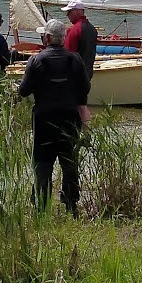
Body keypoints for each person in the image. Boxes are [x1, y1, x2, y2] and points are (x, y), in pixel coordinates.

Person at [17, 18, 90, 216]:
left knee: (43, 163)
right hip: (69, 117)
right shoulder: (75, 59)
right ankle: (71, 204)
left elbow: (24, 91)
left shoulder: (36, 60)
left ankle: (41, 205)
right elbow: (85, 87)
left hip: (44, 120)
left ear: (47, 38)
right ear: (63, 38)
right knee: (69, 162)